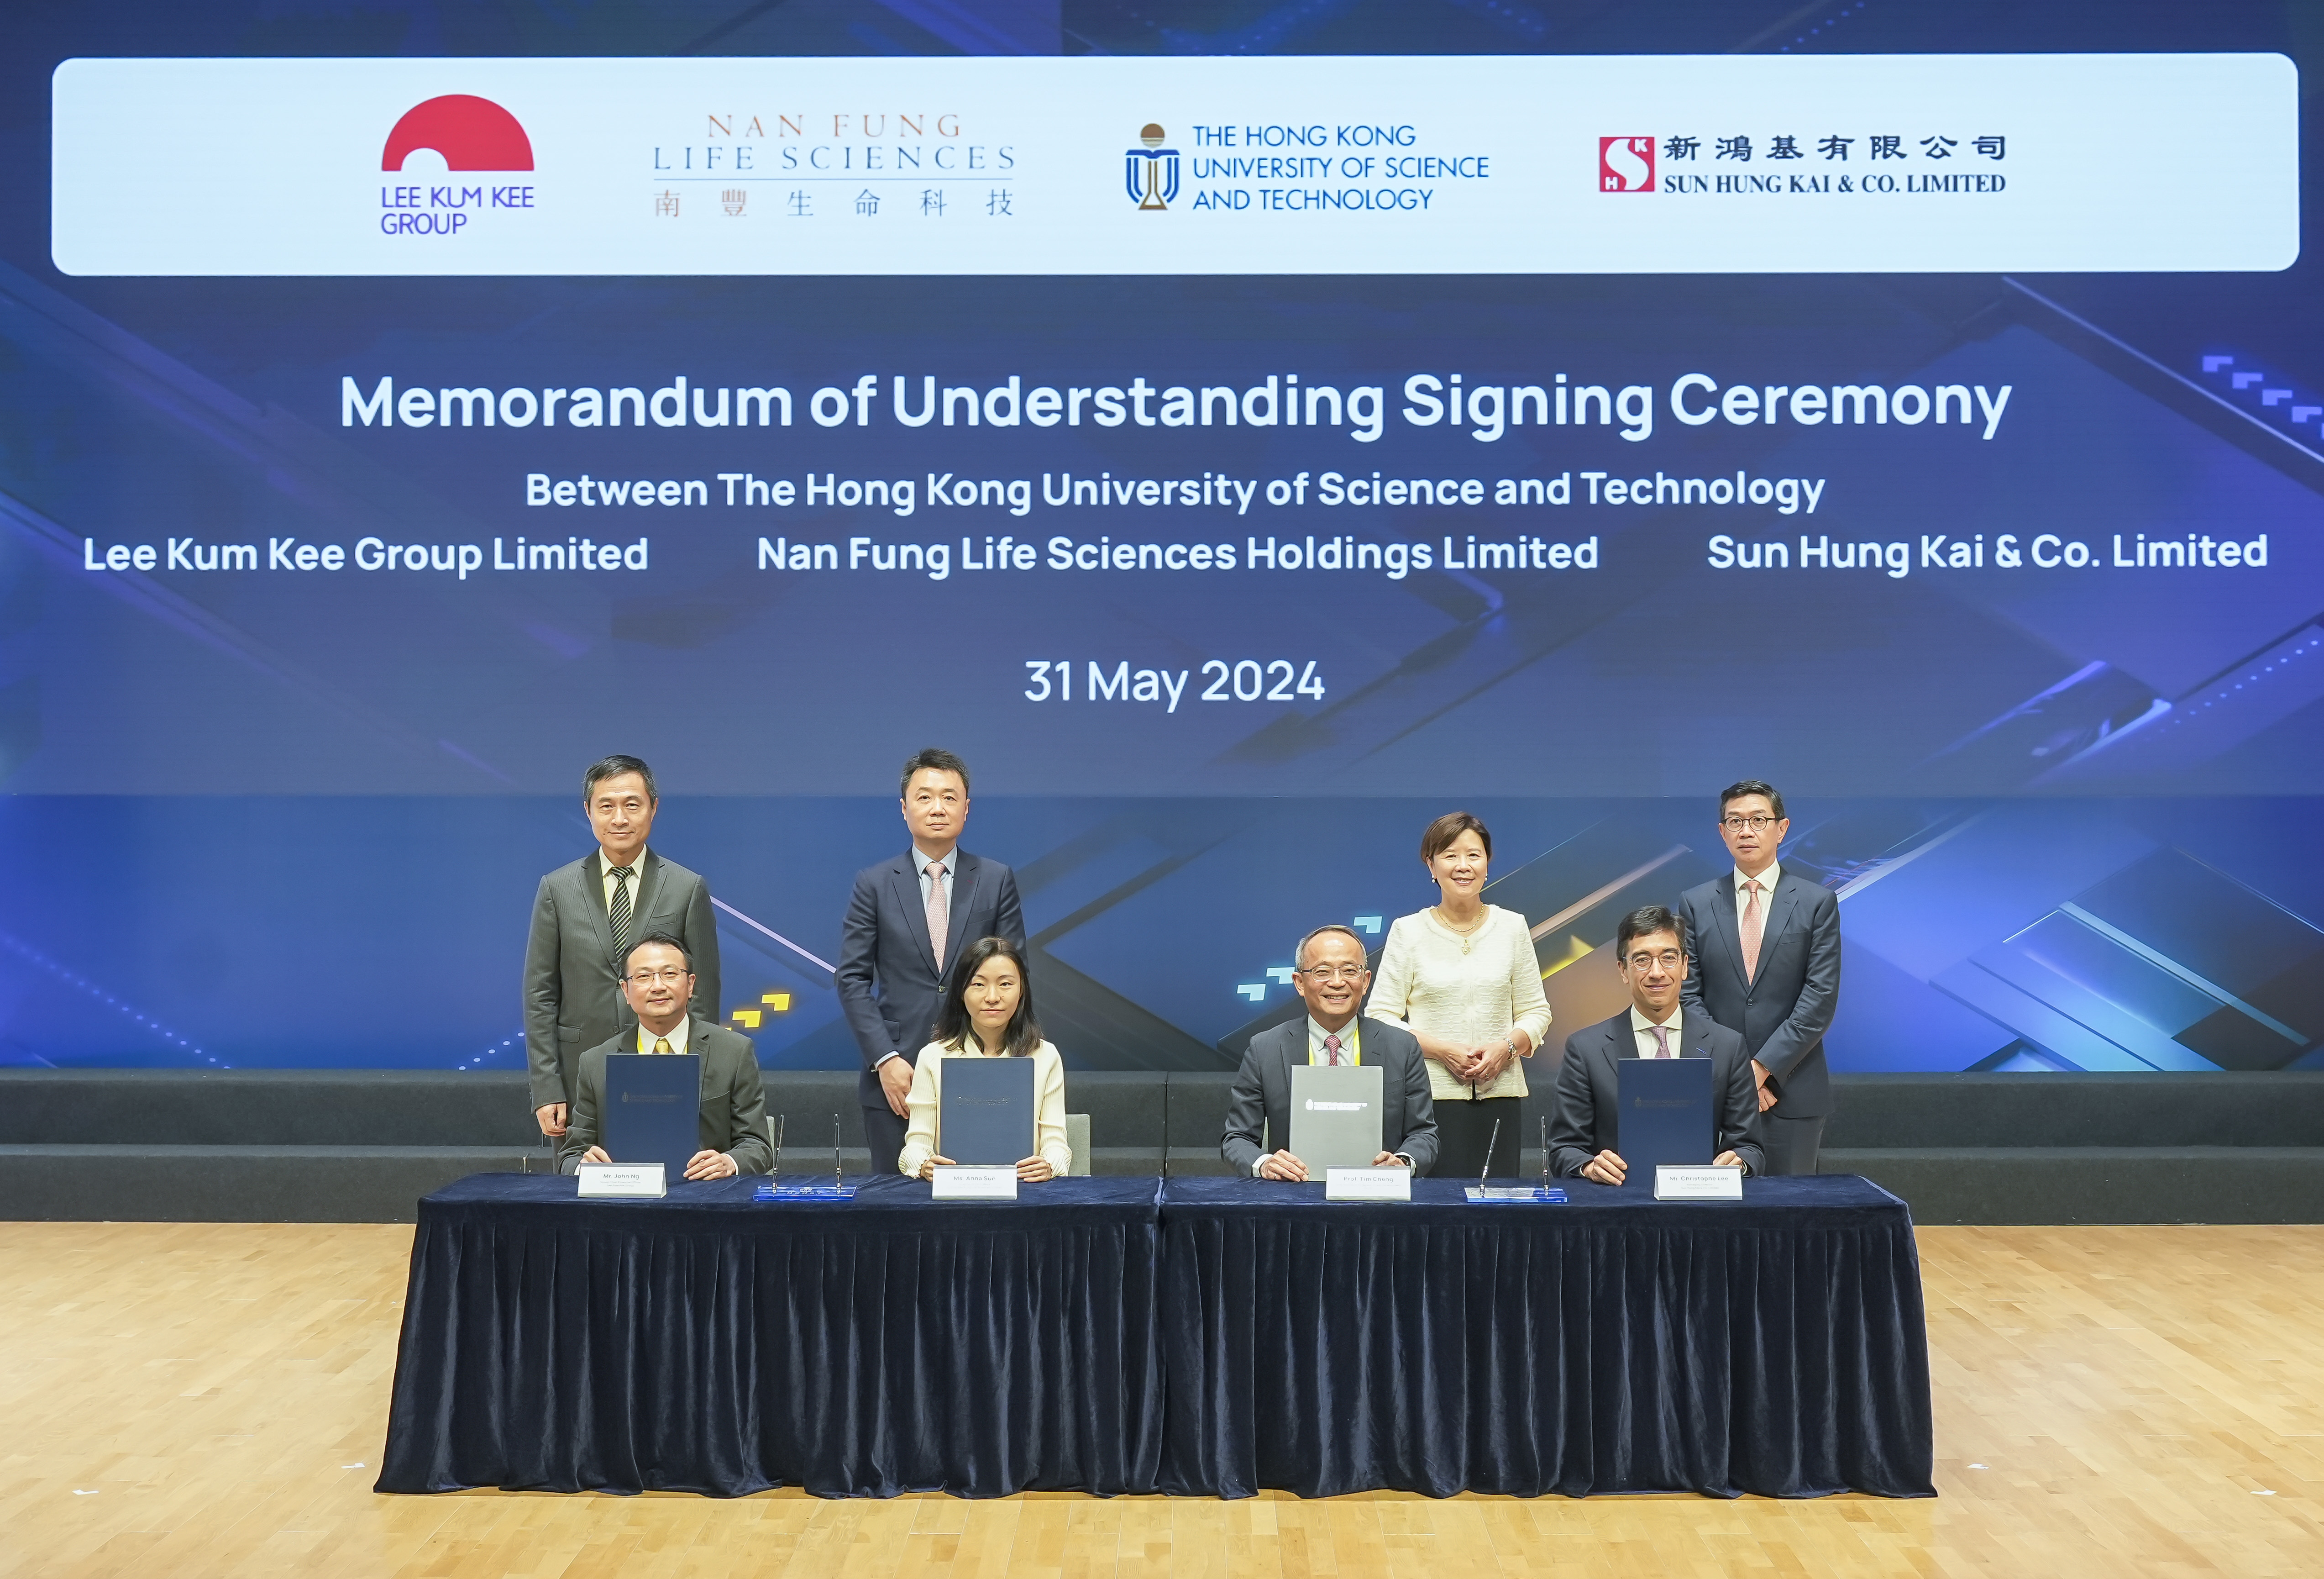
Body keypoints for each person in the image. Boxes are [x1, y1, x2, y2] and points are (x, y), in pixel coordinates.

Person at [837, 748, 1027, 1175]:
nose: (937, 808)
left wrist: (996, 1061)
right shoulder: (874, 883)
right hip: (898, 1077)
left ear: (966, 808)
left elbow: (1015, 974)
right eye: (924, 797)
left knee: (981, 1209)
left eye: (949, 797)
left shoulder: (995, 880)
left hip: (984, 1072)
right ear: (904, 809)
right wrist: (884, 1059)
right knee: (897, 1211)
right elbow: (851, 979)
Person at [524, 755, 721, 1142]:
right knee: (579, 1194)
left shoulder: (686, 887)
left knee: (667, 1190)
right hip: (578, 1074)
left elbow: (703, 996)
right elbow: (540, 995)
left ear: (653, 808)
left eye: (632, 804)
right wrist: (546, 1088)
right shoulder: (557, 888)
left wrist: (697, 1078)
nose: (620, 818)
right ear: (588, 811)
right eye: (606, 806)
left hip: (665, 1073)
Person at [1367, 811, 1551, 1179]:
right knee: (1435, 1215)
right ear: (1430, 864)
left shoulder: (1512, 926)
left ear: (1487, 863)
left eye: (1474, 855)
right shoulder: (1408, 931)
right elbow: (1380, 1017)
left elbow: (1536, 1012)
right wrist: (1443, 1051)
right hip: (1427, 1101)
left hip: (1500, 1093)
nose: (1463, 866)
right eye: (1450, 855)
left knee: (1495, 1214)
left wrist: (1506, 1048)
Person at [1674, 779, 1841, 1176]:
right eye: (1735, 821)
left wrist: (1761, 1069)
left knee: (1791, 1220)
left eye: (1758, 820)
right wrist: (1735, 1072)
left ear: (1781, 829)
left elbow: (1819, 998)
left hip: (1792, 1090)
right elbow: (1689, 994)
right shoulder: (1694, 903)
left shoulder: (1817, 902)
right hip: (1714, 1091)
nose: (1745, 831)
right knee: (1717, 1221)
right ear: (1721, 832)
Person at [1548, 905, 1762, 1183]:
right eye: (1642, 960)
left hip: (1701, 1203)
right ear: (1623, 970)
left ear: (1685, 966)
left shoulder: (1727, 1046)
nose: (1657, 972)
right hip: (1616, 1203)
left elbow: (1750, 1148)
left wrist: (1739, 1163)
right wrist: (1589, 1167)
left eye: (1669, 958)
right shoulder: (1585, 1049)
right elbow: (1564, 1148)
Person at [1222, 925, 1439, 1179]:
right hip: (1294, 1195)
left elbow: (1424, 1135)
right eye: (1322, 972)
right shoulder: (1266, 1049)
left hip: (1379, 1196)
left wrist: (1402, 1163)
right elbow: (1237, 1138)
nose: (1337, 983)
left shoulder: (1402, 1047)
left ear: (1366, 981)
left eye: (1350, 971)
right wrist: (1265, 1164)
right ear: (1300, 983)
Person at [558, 933, 771, 1179]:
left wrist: (729, 1162)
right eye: (643, 977)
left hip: (707, 1199)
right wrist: (584, 1167)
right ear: (626, 991)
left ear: (691, 985)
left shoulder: (734, 1052)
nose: (658, 986)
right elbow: (571, 1155)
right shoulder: (595, 1062)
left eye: (670, 974)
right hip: (623, 1202)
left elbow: (759, 1146)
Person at [897, 937, 1071, 1183]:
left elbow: (1056, 1142)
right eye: (979, 984)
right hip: (954, 1189)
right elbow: (916, 1144)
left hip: (1025, 1188)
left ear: (1022, 991)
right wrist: (924, 1165)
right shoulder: (933, 1056)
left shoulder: (1046, 1055)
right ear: (961, 992)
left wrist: (1049, 1164)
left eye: (1005, 984)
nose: (992, 997)